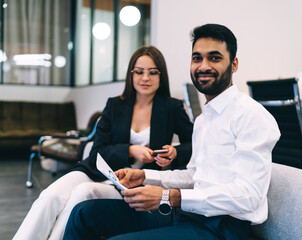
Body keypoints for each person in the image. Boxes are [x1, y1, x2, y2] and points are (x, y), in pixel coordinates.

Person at [63, 23, 280, 240]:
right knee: (83, 213)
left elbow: (249, 196)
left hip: (222, 228)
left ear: (234, 64)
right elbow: (194, 176)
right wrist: (145, 175)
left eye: (214, 58)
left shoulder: (251, 116)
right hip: (186, 214)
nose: (203, 66)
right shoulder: (204, 120)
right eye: (197, 58)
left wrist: (170, 197)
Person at [13, 46, 193, 240]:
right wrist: (131, 150)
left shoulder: (172, 108)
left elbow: (194, 145)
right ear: (131, 74)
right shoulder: (115, 105)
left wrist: (174, 152)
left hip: (126, 184)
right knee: (49, 197)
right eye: (139, 72)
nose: (145, 78)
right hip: (94, 170)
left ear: (161, 75)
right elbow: (97, 151)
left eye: (153, 72)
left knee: (81, 195)